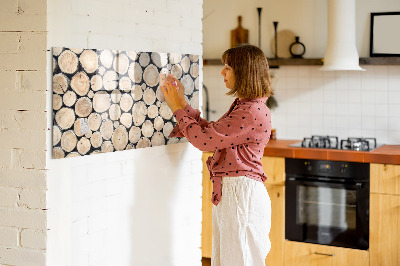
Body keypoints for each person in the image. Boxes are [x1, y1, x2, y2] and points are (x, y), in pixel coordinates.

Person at [161, 44, 273, 266]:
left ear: (244, 72)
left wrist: (176, 108)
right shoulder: (246, 106)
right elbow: (212, 133)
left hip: (241, 196)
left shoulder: (250, 111)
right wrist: (182, 103)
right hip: (236, 194)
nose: (222, 72)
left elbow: (204, 141)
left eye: (228, 67)